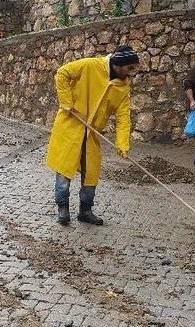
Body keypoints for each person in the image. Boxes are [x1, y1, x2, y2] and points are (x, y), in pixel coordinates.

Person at [46, 45, 140, 226]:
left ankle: (85, 211)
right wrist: (66, 102)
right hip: (70, 126)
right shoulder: (90, 65)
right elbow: (62, 73)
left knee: (91, 174)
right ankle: (63, 208)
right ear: (119, 64)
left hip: (92, 134)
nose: (132, 73)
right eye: (130, 68)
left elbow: (123, 118)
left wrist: (122, 144)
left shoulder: (122, 88)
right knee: (64, 171)